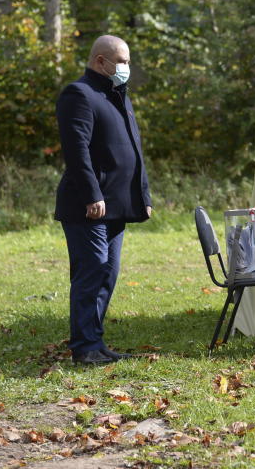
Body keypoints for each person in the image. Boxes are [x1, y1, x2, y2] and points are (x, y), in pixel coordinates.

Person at [55, 35, 152, 365]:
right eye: (122, 62)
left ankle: (95, 344)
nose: (126, 68)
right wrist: (92, 194)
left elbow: (134, 149)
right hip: (88, 208)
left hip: (117, 206)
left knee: (108, 272)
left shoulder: (117, 95)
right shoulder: (79, 94)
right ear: (100, 61)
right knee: (92, 269)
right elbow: (76, 150)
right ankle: (84, 348)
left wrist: (144, 194)